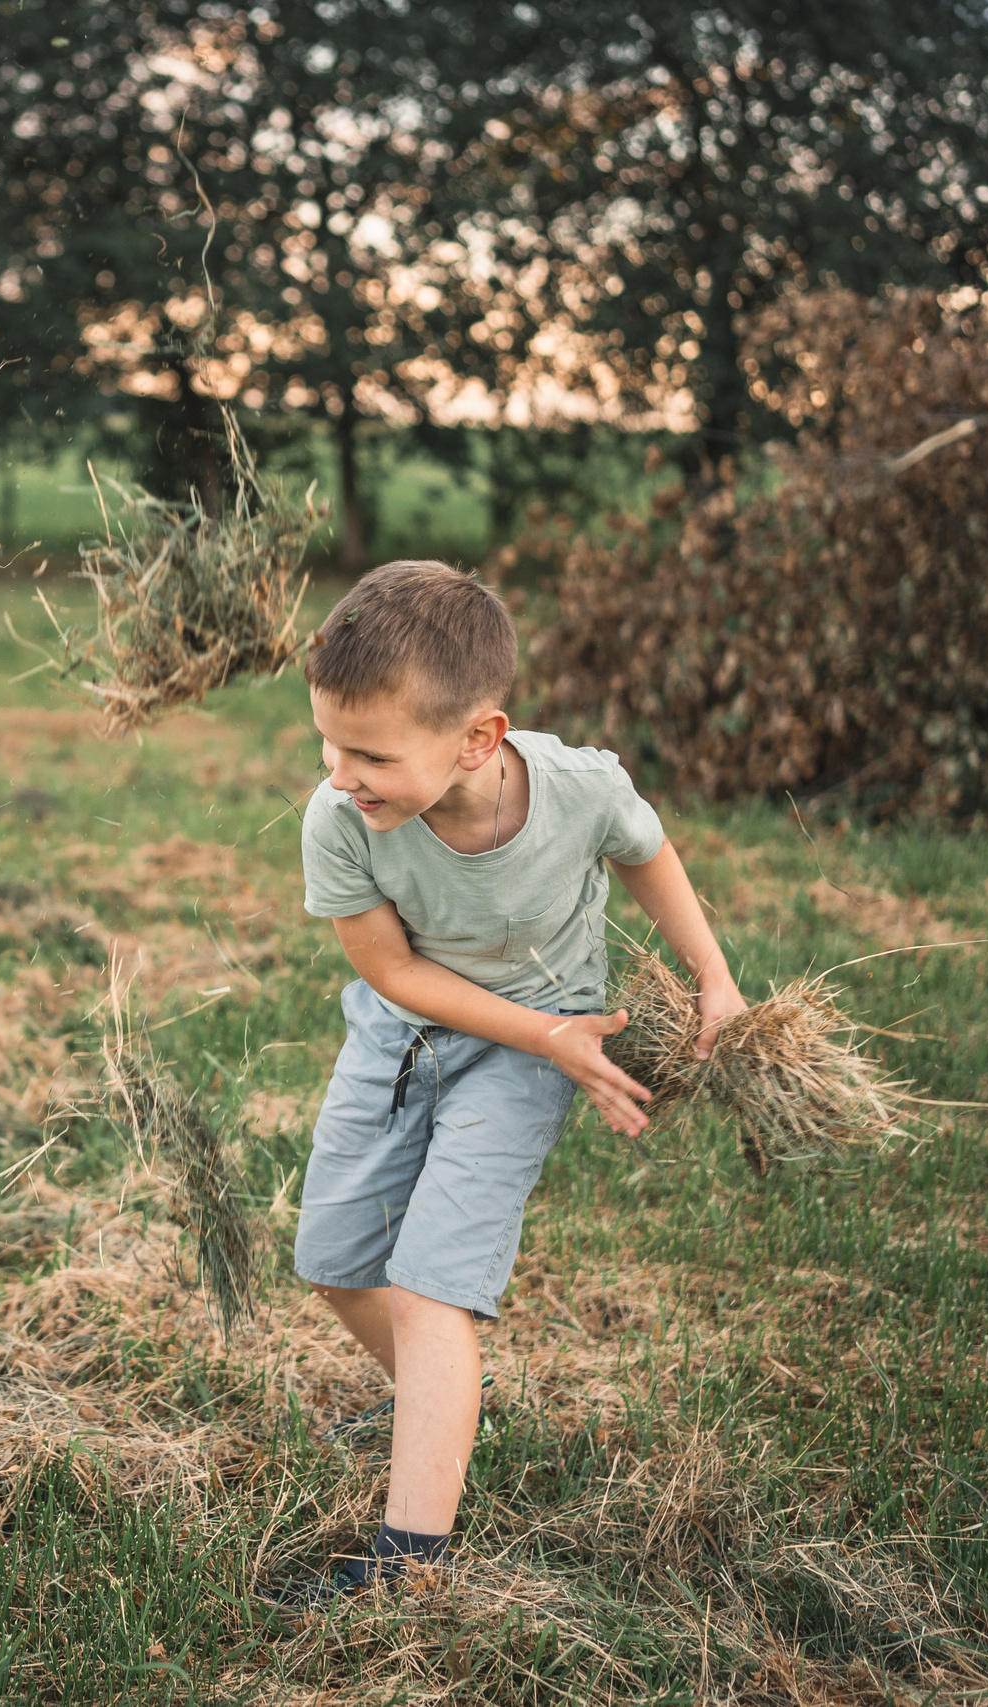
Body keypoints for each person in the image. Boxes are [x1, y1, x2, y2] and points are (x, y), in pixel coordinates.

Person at [268, 560, 745, 1604]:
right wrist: (539, 1030)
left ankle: (410, 1564)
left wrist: (713, 978)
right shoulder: (338, 819)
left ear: (477, 739)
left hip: (536, 1057)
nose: (341, 773)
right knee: (337, 1259)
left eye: (371, 753)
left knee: (436, 1283)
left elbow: (648, 853)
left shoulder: (577, 788)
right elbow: (390, 970)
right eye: (328, 744)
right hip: (400, 1040)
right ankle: (434, 1412)